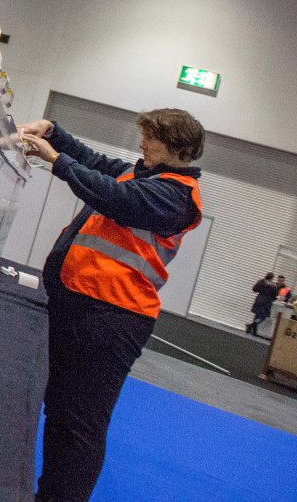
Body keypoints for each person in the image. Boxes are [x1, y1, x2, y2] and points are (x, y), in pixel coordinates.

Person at [19, 108, 204, 502]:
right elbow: (96, 163)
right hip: (85, 310)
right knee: (62, 412)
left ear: (175, 147)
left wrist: (56, 160)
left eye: (150, 138)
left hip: (112, 319)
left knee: (80, 423)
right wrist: (53, 132)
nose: (142, 144)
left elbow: (116, 197)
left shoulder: (175, 195)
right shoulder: (142, 174)